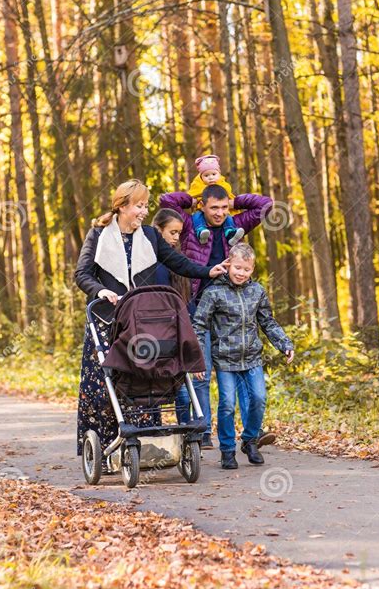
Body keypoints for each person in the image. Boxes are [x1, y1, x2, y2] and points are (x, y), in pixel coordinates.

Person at [74, 179, 228, 461]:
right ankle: (105, 448)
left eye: (146, 205)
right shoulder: (98, 235)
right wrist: (102, 290)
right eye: (139, 205)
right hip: (106, 321)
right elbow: (82, 274)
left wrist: (209, 272)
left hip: (141, 321)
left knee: (143, 381)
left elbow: (178, 262)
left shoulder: (149, 236)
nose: (144, 211)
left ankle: (143, 446)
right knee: (104, 385)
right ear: (122, 206)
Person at [160, 183, 275, 449]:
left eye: (224, 207)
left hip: (232, 309)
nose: (220, 212)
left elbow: (265, 204)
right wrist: (193, 197)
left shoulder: (235, 223)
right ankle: (202, 431)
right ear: (203, 205)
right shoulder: (189, 225)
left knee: (243, 369)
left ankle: (251, 433)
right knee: (202, 368)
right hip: (198, 304)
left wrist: (236, 199)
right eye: (214, 207)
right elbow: (167, 201)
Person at [192, 243, 295, 470]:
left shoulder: (256, 291)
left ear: (252, 269)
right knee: (227, 404)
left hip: (251, 358)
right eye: (237, 267)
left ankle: (250, 440)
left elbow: (267, 321)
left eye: (246, 269)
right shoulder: (213, 292)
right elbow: (199, 325)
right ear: (228, 264)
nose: (241, 273)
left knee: (258, 398)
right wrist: (198, 356)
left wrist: (284, 344)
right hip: (225, 359)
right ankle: (227, 450)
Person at [151, 207, 193, 424]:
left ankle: (186, 431)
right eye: (172, 232)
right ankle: (154, 429)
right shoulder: (149, 261)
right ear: (157, 230)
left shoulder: (178, 260)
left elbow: (188, 300)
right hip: (153, 330)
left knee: (182, 387)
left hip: (178, 329)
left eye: (179, 233)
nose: (176, 238)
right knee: (152, 386)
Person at [188, 154, 244, 246]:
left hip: (223, 215)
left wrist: (234, 203)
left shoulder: (223, 184)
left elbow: (228, 191)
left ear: (219, 174)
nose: (210, 177)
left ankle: (230, 232)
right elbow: (191, 194)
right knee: (197, 216)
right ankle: (201, 232)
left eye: (214, 174)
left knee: (228, 217)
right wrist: (193, 201)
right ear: (201, 177)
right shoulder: (198, 185)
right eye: (206, 175)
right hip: (201, 210)